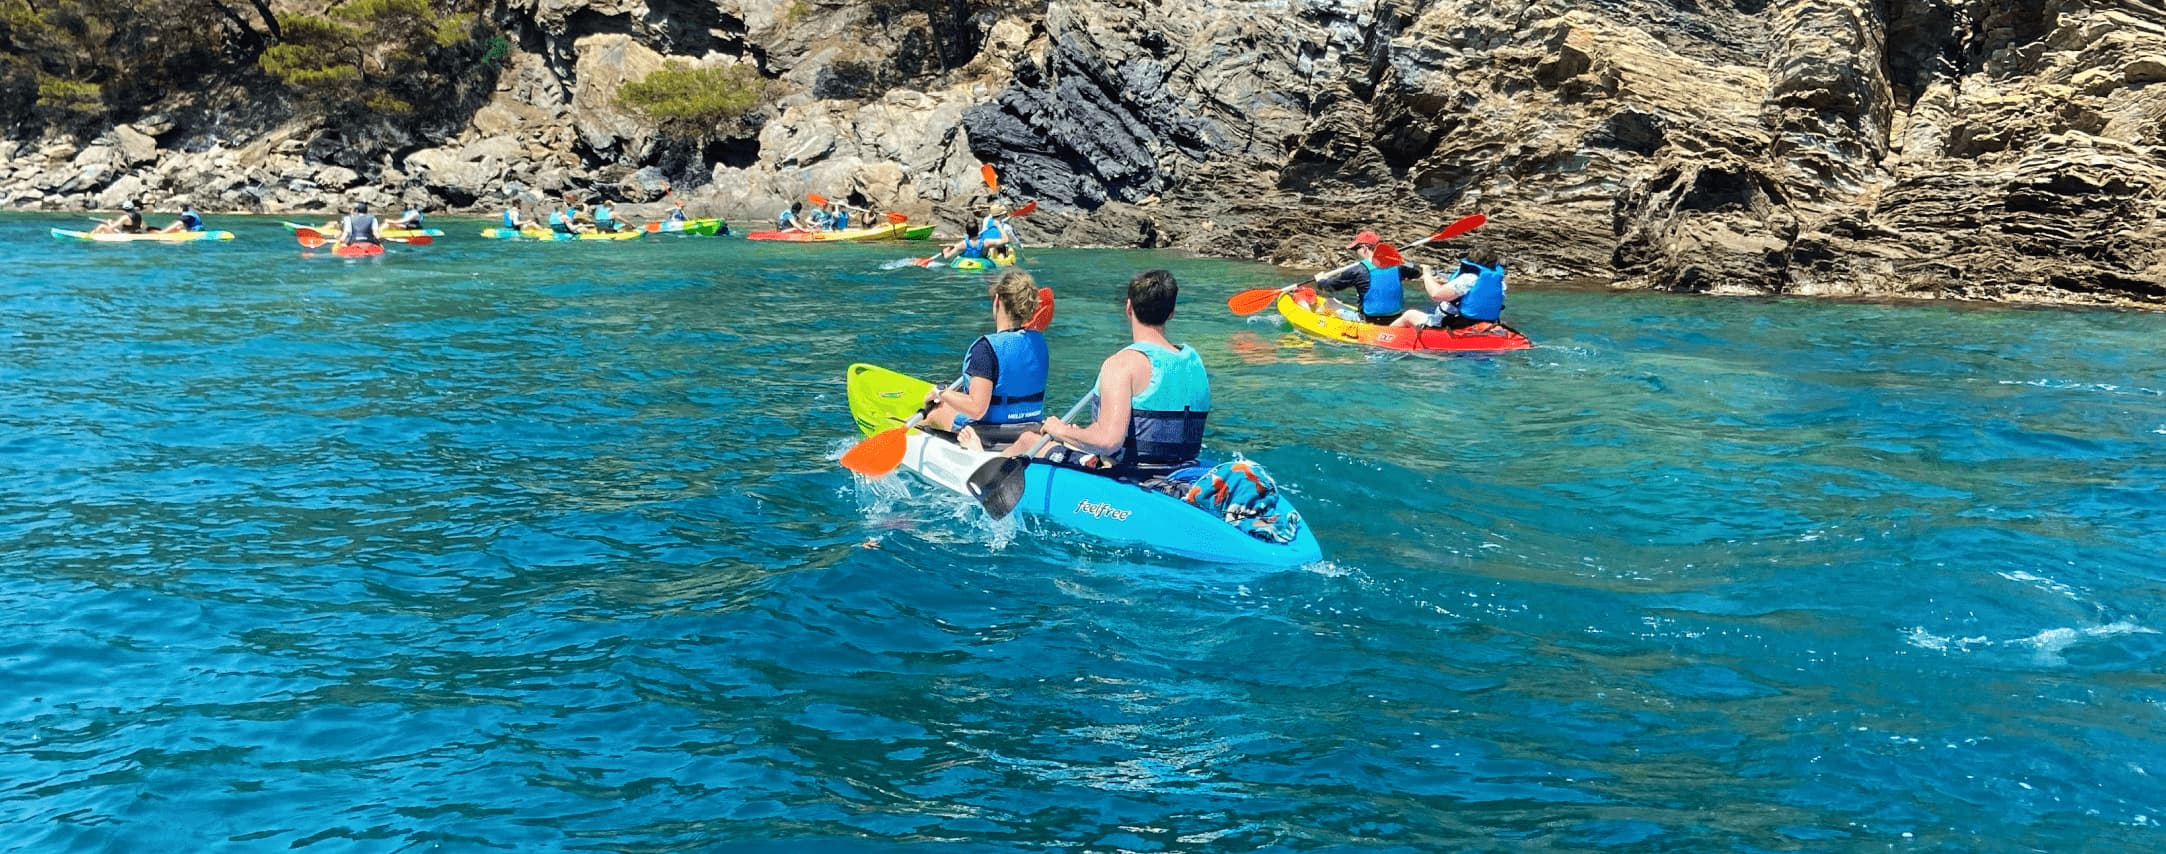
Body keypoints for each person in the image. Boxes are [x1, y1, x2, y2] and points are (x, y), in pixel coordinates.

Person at [1009, 269, 1209, 480]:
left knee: (1028, 441)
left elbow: (1108, 441)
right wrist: (1078, 434)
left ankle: (975, 464)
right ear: (1171, 313)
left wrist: (1060, 430)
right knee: (1068, 439)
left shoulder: (1122, 365)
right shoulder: (1193, 361)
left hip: (1134, 477)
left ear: (1129, 307)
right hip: (1182, 471)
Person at [922, 270, 1049, 452]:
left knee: (938, 410)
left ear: (997, 300)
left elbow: (976, 409)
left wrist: (941, 392)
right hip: (1030, 429)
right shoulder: (1039, 342)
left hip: (988, 435)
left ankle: (913, 440)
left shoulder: (985, 349)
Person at [1391, 245, 1508, 330]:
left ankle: (1383, 337)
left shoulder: (1467, 279)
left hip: (1453, 323)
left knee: (1409, 315)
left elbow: (1436, 295)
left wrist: (1426, 273)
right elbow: (1465, 296)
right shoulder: (1500, 284)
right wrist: (1437, 282)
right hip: (1484, 321)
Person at [1315, 230, 1409, 325]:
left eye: (1356, 249)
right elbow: (1418, 270)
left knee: (1330, 302)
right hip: (1395, 321)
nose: (1355, 253)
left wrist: (1321, 280)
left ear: (1364, 248)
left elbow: (1328, 287)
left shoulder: (1357, 270)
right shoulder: (1399, 266)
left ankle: (1317, 323)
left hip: (1367, 322)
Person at [938, 229, 1010, 263]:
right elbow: (1006, 240)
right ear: (978, 231)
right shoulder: (986, 243)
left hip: (964, 265)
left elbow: (946, 257)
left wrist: (945, 251)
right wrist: (999, 226)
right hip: (983, 264)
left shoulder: (962, 244)